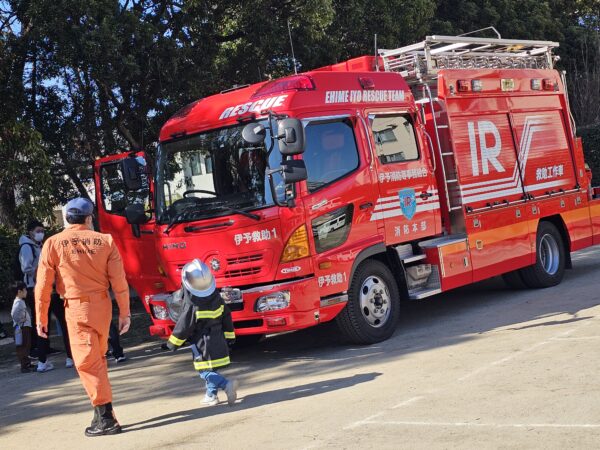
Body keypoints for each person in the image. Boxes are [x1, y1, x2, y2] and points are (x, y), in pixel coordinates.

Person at [35, 197, 131, 437]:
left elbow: (43, 286)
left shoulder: (53, 243)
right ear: (89, 219)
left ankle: (106, 417)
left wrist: (41, 319)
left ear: (67, 218)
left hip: (77, 309)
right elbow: (119, 281)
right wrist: (125, 312)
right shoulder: (105, 240)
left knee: (87, 364)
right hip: (103, 307)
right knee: (97, 360)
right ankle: (102, 413)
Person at [166, 259, 238, 406]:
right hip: (218, 339)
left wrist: (172, 344)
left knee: (204, 370)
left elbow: (184, 326)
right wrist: (230, 337)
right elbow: (227, 317)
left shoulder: (192, 305)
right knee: (213, 368)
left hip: (202, 343)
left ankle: (226, 384)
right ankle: (211, 395)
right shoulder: (217, 299)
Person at [11, 282, 35, 373]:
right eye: (24, 290)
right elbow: (14, 314)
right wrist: (21, 320)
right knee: (23, 346)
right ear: (19, 291)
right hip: (22, 328)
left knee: (27, 345)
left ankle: (27, 363)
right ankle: (24, 366)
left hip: (24, 327)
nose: (26, 292)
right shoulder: (18, 302)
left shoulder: (20, 301)